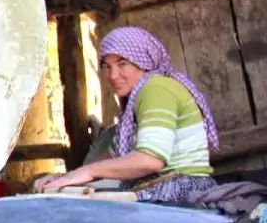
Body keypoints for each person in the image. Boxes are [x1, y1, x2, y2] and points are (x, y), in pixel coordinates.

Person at [33, 26, 220, 203]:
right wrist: (67, 177)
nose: (113, 75)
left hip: (179, 187)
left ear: (144, 62)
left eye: (122, 64)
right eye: (107, 66)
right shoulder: (135, 100)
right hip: (162, 183)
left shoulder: (156, 89)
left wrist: (90, 172)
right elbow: (113, 158)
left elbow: (150, 161)